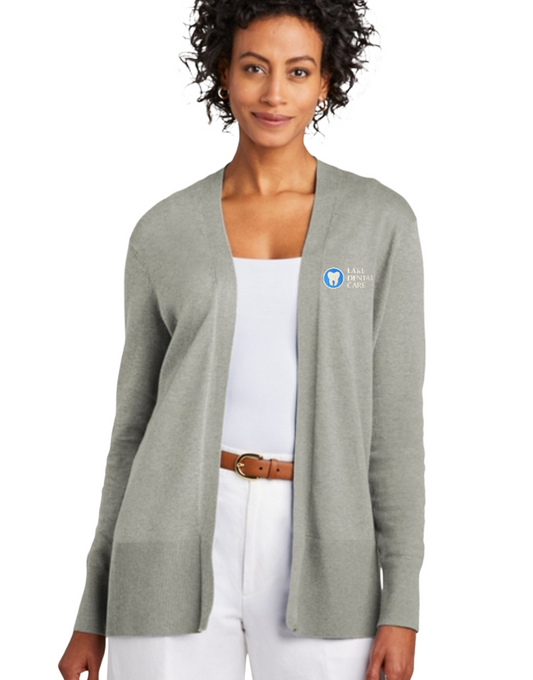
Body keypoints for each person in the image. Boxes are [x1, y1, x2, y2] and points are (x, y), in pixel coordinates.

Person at [58, 1, 426, 679]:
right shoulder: (164, 231)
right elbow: (132, 428)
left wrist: (400, 603)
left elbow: (396, 428)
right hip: (167, 540)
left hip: (327, 547)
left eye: (298, 71)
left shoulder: (380, 223)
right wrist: (92, 607)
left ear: (326, 80)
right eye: (254, 67)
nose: (274, 93)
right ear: (223, 72)